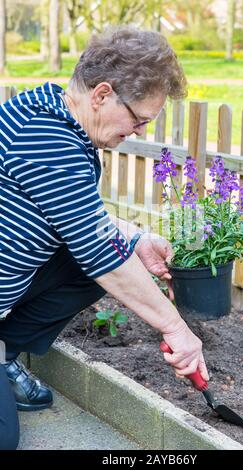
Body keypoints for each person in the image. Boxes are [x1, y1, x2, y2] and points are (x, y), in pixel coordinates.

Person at [0, 25, 209, 450]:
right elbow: (98, 251)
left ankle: (4, 351)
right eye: (138, 119)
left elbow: (80, 218)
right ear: (101, 94)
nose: (139, 132)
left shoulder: (47, 110)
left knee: (105, 257)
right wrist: (177, 329)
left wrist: (134, 237)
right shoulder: (46, 139)